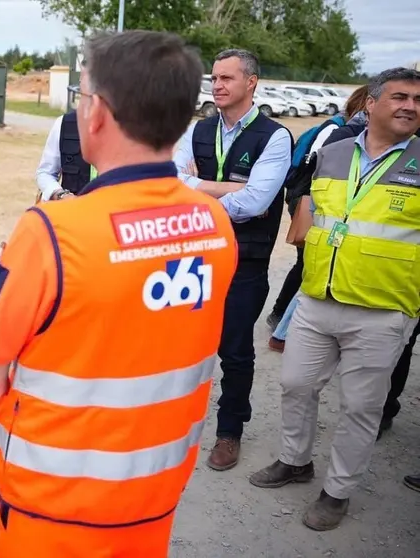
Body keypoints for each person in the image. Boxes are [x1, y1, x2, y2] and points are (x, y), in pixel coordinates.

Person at [0, 31, 237, 557]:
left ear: (97, 114)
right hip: (156, 493)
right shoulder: (214, 222)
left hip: (53, 507)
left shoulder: (50, 231)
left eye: (83, 96)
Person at [248, 67, 420, 531]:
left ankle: (337, 492)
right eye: (400, 96)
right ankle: (294, 461)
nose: (410, 106)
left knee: (361, 409)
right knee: (296, 385)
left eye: (418, 100)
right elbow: (311, 210)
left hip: (383, 309)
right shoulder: (334, 152)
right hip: (317, 298)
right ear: (372, 103)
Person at [174, 48, 293, 471]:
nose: (217, 85)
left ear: (251, 82)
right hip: (195, 255)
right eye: (214, 78)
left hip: (246, 259)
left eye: (226, 78)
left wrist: (197, 188)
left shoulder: (275, 136)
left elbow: (259, 201)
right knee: (183, 343)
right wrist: (224, 189)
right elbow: (173, 182)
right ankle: (175, 420)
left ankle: (229, 432)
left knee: (236, 348)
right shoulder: (198, 130)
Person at [266, 85, 371, 339]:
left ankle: (283, 316)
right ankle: (280, 314)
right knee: (306, 259)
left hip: (312, 196)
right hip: (306, 196)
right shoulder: (336, 129)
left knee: (306, 260)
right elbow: (314, 164)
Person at [34, 107, 97, 202]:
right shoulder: (64, 124)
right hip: (73, 213)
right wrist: (60, 195)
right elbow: (45, 173)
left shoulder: (124, 127)